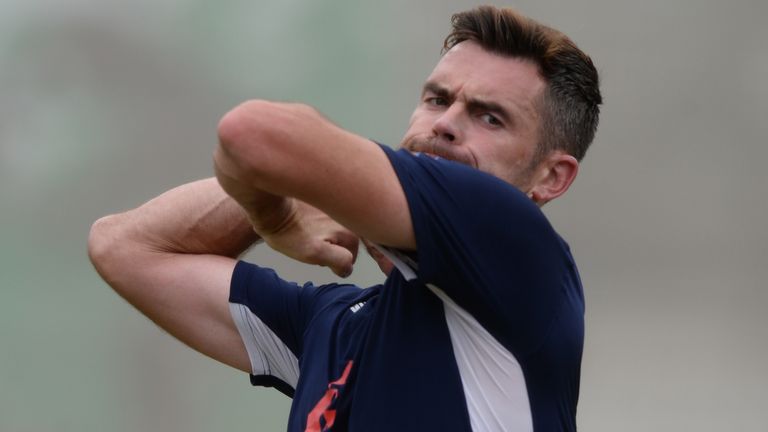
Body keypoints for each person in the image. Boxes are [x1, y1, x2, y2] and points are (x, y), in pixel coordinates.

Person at [88, 5, 601, 432]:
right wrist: (301, 194)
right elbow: (124, 247)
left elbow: (251, 134)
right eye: (436, 99)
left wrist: (273, 210)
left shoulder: (518, 247)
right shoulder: (335, 323)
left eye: (490, 117)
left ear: (550, 177)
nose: (445, 124)